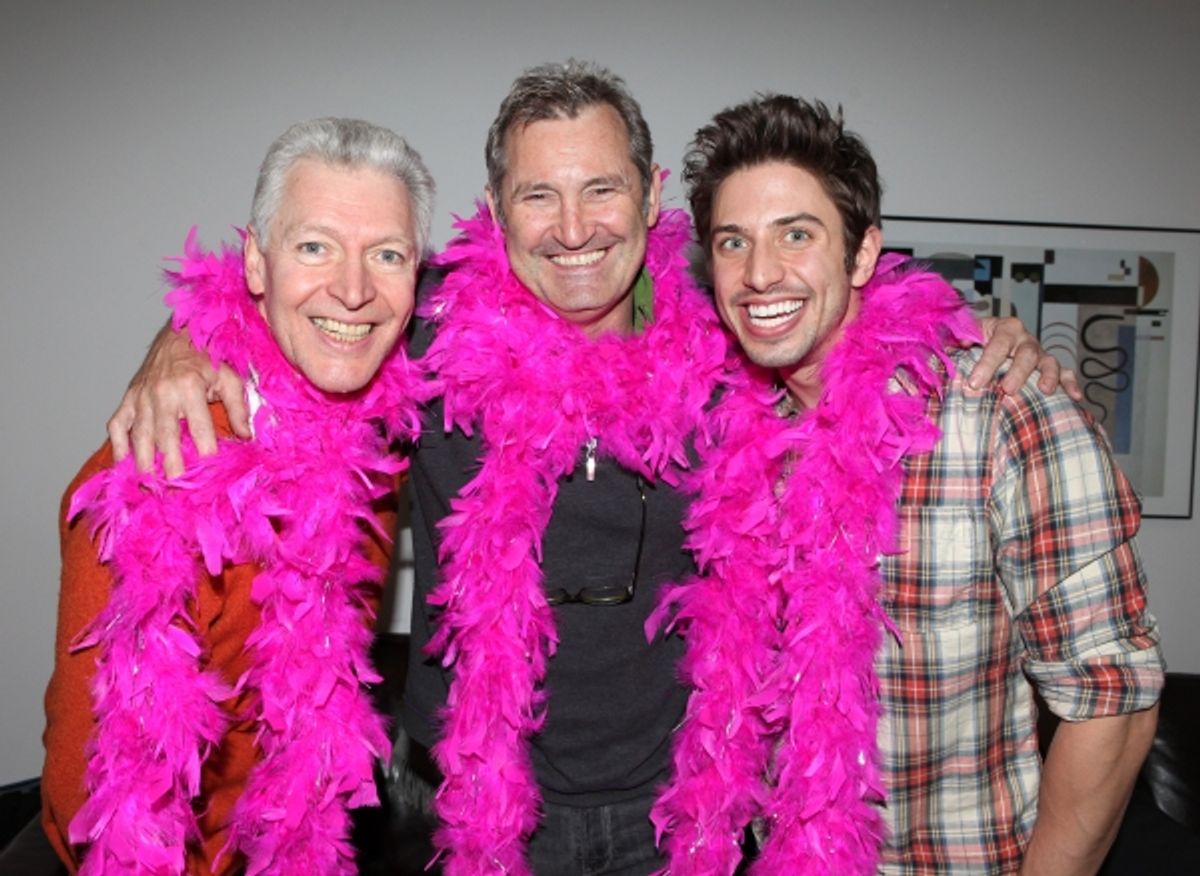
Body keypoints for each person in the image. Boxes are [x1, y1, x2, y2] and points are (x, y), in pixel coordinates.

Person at [103, 63, 1072, 874]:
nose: (574, 228)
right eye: (539, 194)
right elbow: (281, 298)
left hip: (685, 811)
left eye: (602, 189)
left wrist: (972, 331)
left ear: (651, 198)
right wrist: (180, 346)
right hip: (474, 815)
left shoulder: (732, 330)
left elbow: (846, 312)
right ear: (494, 212)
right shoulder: (424, 328)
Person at [657, 94, 1164, 874]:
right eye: (733, 242)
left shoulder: (1001, 411)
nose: (760, 274)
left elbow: (1114, 702)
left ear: (862, 255)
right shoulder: (724, 425)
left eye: (797, 233)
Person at [43, 118, 435, 875]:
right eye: (314, 246)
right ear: (255, 263)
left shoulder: (373, 443)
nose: (353, 291)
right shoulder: (155, 474)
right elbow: (88, 805)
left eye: (386, 255)